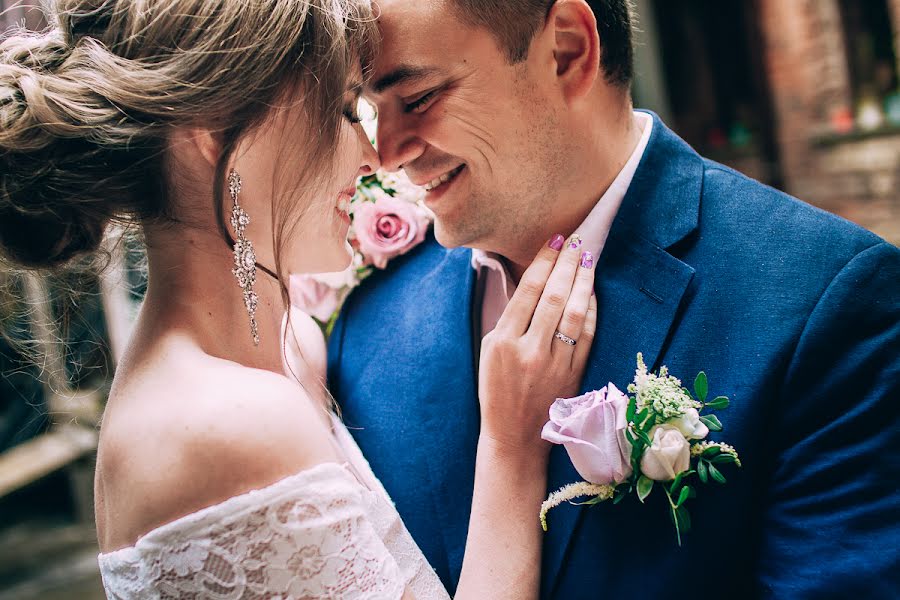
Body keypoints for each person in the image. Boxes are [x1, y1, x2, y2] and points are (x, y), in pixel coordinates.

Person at [0, 1, 599, 598]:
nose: (375, 157)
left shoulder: (292, 347)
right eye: (342, 111)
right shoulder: (221, 425)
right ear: (216, 131)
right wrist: (512, 443)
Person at [328, 0, 900, 598]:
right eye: (372, 110)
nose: (386, 152)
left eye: (417, 99)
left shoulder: (826, 301)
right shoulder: (367, 320)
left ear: (569, 50)